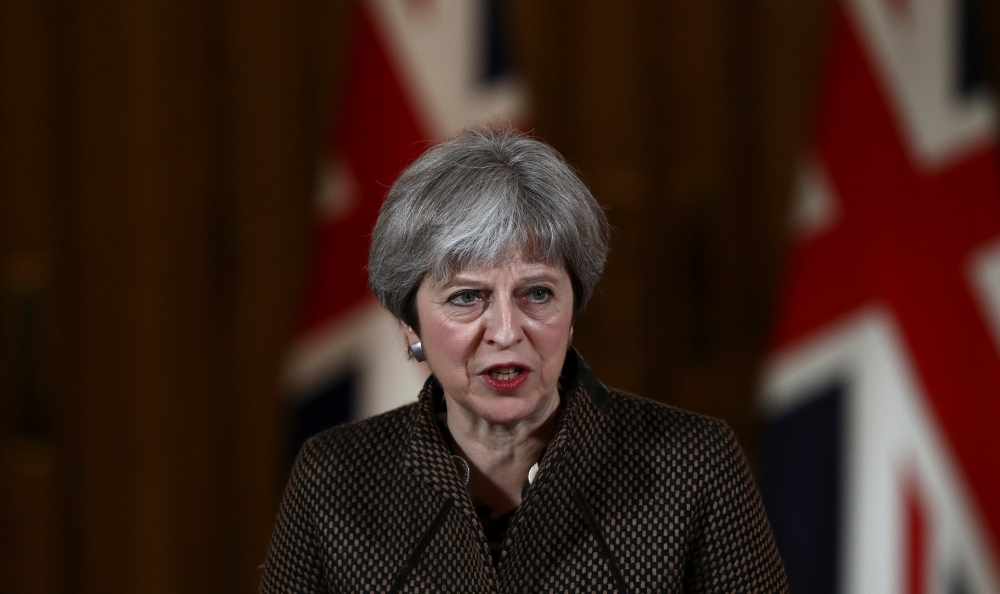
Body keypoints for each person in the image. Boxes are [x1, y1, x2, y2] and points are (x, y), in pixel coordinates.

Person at [260, 126, 789, 593]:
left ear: (572, 308)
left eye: (537, 293)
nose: (507, 331)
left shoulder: (696, 466)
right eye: (467, 297)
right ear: (408, 322)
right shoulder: (334, 476)